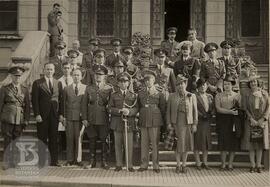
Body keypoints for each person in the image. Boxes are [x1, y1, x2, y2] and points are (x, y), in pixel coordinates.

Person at [81, 65, 113, 170]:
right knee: (92, 139)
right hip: (91, 118)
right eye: (96, 75)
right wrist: (84, 118)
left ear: (104, 76)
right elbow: (84, 104)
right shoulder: (89, 88)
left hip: (104, 118)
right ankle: (92, 161)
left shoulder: (109, 88)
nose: (98, 76)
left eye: (100, 75)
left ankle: (104, 162)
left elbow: (111, 104)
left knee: (104, 141)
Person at [32, 62, 62, 167]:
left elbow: (60, 100)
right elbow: (34, 100)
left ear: (54, 71)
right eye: (47, 69)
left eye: (51, 69)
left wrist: (61, 114)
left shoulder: (58, 83)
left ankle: (54, 161)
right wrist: (37, 114)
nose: (49, 71)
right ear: (44, 70)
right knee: (42, 138)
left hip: (54, 115)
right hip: (42, 116)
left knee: (54, 138)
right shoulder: (37, 83)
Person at [166, 75, 198, 174]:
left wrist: (194, 124)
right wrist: (169, 124)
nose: (180, 86)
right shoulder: (171, 96)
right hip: (176, 123)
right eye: (178, 84)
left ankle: (184, 165)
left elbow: (195, 111)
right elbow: (168, 112)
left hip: (187, 123)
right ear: (176, 86)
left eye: (182, 84)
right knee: (178, 145)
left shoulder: (191, 96)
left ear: (186, 84)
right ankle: (178, 165)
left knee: (186, 145)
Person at [0, 66, 30, 170]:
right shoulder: (4, 89)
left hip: (19, 118)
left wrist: (26, 119)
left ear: (21, 77)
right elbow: (0, 104)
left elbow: (27, 106)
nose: (17, 78)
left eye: (19, 76)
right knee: (8, 140)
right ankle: (7, 162)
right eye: (15, 76)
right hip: (8, 118)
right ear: (11, 76)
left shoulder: (25, 90)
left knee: (17, 140)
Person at [137, 70, 166, 173]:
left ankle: (155, 165)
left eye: (150, 80)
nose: (148, 82)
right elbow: (139, 106)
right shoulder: (140, 93)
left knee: (155, 144)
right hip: (144, 119)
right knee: (144, 143)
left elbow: (162, 108)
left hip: (155, 120)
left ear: (154, 81)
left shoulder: (159, 92)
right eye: (146, 80)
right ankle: (144, 164)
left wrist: (160, 119)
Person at [108, 72, 138, 172]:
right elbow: (110, 108)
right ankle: (119, 164)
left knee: (128, 145)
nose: (123, 83)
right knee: (118, 144)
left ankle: (129, 165)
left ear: (128, 83)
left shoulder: (133, 95)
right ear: (118, 84)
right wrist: (120, 111)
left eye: (125, 81)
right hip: (117, 123)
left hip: (128, 123)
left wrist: (129, 111)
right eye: (121, 82)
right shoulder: (114, 95)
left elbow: (136, 108)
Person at [241, 75, 269, 173]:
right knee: (251, 144)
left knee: (260, 144)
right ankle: (252, 165)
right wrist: (251, 119)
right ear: (249, 84)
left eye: (255, 82)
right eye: (252, 82)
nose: (253, 83)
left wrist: (263, 119)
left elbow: (268, 107)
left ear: (258, 83)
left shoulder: (264, 94)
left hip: (261, 122)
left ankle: (258, 165)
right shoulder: (246, 94)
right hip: (250, 122)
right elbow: (245, 108)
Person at [61, 68, 86, 166]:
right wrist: (63, 117)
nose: (76, 77)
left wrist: (85, 117)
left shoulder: (85, 88)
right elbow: (63, 103)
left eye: (78, 75)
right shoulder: (67, 88)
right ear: (72, 76)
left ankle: (78, 160)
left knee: (79, 138)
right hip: (70, 117)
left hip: (80, 118)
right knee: (69, 138)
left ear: (81, 76)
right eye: (74, 75)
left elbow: (86, 104)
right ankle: (70, 160)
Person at [215, 76, 241, 171]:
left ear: (232, 85)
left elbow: (240, 108)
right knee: (223, 143)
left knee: (232, 143)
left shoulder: (237, 95)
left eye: (228, 84)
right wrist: (230, 112)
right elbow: (218, 109)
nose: (226, 86)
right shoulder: (218, 95)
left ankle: (230, 164)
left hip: (233, 121)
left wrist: (236, 110)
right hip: (222, 121)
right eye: (225, 84)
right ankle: (223, 164)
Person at [194, 78, 214, 170]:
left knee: (206, 143)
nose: (203, 86)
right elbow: (193, 108)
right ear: (198, 86)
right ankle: (198, 163)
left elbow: (213, 108)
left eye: (204, 85)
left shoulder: (210, 96)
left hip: (207, 122)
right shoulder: (194, 96)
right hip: (199, 121)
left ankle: (205, 162)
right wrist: (201, 115)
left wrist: (211, 113)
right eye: (201, 85)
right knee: (198, 142)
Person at [57, 62, 73, 159]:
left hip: (73, 109)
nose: (66, 70)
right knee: (62, 130)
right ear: (62, 69)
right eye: (65, 68)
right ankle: (63, 151)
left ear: (71, 69)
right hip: (63, 108)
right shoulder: (58, 81)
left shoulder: (75, 79)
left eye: (68, 68)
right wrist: (61, 113)